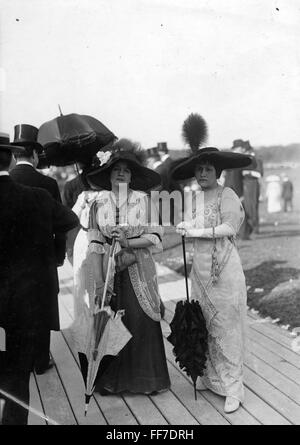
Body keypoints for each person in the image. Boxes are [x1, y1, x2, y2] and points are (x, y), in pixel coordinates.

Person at [0, 133, 78, 425]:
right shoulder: (38, 195)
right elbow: (70, 221)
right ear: (9, 157)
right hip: (24, 299)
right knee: (18, 377)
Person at [85, 138, 171, 395]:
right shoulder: (98, 204)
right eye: (116, 169)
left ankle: (146, 381)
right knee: (110, 319)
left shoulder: (143, 201)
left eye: (126, 170)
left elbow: (155, 237)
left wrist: (128, 241)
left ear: (132, 175)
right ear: (108, 174)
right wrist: (99, 279)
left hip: (139, 268)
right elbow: (95, 242)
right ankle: (112, 382)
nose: (121, 173)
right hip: (109, 270)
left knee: (140, 319)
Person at [173, 146, 251, 414]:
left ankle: (233, 388)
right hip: (201, 269)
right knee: (204, 321)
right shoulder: (194, 198)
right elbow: (192, 225)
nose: (203, 173)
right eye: (199, 168)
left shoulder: (226, 194)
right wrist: (185, 228)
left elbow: (230, 227)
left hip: (224, 268)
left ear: (217, 171)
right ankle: (210, 378)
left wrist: (197, 230)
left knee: (226, 324)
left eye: (208, 168)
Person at [9, 124, 67, 375]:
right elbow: (61, 224)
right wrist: (59, 254)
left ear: (14, 155)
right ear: (34, 155)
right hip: (42, 259)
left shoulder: (6, 182)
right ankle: (41, 360)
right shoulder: (49, 184)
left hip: (10, 262)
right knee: (42, 307)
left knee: (14, 309)